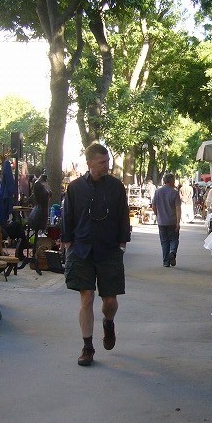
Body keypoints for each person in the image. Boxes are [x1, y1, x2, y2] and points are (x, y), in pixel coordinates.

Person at [61, 143, 131, 366]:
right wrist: (67, 243)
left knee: (109, 301)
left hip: (109, 249)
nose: (106, 165)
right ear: (89, 163)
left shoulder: (116, 187)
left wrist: (122, 242)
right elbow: (67, 217)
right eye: (102, 162)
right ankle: (87, 347)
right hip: (82, 250)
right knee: (87, 297)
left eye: (107, 161)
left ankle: (108, 322)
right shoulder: (75, 188)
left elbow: (123, 215)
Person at [151, 173, 181, 267]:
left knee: (164, 241)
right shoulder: (175, 192)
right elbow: (178, 208)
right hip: (172, 221)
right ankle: (172, 252)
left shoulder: (157, 192)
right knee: (174, 239)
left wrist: (157, 214)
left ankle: (166, 262)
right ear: (172, 181)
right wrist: (178, 222)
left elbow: (153, 206)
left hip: (161, 221)